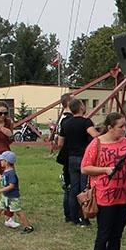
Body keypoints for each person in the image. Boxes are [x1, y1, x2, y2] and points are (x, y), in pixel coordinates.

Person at [81, 113, 126, 250]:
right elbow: (85, 168)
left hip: (123, 195)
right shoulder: (96, 143)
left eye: (125, 126)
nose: (124, 129)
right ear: (110, 127)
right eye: (120, 126)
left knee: (117, 235)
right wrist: (104, 170)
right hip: (105, 195)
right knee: (103, 234)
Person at [58, 98, 99, 226]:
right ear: (81, 107)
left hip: (71, 158)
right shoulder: (86, 122)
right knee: (84, 188)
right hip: (84, 158)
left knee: (73, 188)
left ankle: (73, 217)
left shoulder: (67, 123)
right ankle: (84, 217)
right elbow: (95, 135)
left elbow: (60, 142)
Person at [0, 151, 33, 234]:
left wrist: (0, 190)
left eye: (2, 160)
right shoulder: (6, 172)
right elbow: (2, 178)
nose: (0, 162)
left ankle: (28, 227)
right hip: (5, 197)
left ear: (6, 162)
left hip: (12, 197)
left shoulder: (11, 173)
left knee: (18, 212)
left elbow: (11, 186)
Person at [55, 92, 74, 223]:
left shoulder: (64, 119)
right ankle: (70, 214)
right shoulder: (67, 120)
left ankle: (69, 213)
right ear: (68, 103)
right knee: (70, 186)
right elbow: (61, 142)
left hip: (68, 155)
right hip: (69, 156)